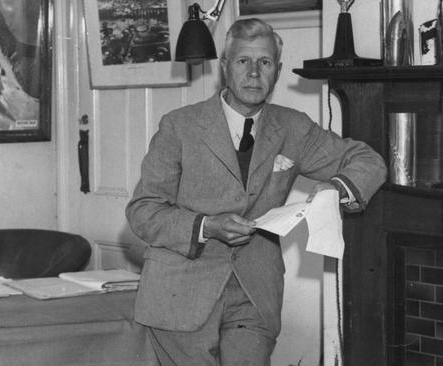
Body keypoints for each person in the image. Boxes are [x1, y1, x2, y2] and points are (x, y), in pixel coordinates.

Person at [125, 18, 387, 366]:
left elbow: (368, 161)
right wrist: (206, 226)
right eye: (242, 61)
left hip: (255, 293)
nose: (253, 73)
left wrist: (336, 188)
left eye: (264, 63)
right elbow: (143, 210)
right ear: (224, 67)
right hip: (180, 291)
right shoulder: (179, 126)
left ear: (277, 71)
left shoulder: (293, 127)